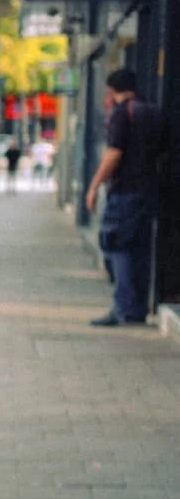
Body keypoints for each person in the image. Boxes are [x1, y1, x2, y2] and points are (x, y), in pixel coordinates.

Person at [85, 66, 167, 327]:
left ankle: (124, 309)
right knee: (140, 251)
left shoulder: (122, 114)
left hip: (125, 192)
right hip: (149, 190)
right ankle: (138, 307)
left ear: (111, 91)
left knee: (117, 246)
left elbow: (114, 154)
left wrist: (94, 186)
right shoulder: (152, 112)